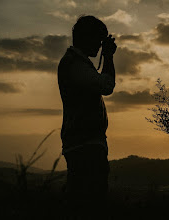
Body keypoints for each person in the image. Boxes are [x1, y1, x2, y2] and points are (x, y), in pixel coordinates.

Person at [57, 15, 117, 219]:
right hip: (85, 146)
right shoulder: (75, 64)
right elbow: (107, 86)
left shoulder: (76, 63)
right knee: (90, 204)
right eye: (98, 41)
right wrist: (108, 57)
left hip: (84, 143)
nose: (100, 46)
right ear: (86, 38)